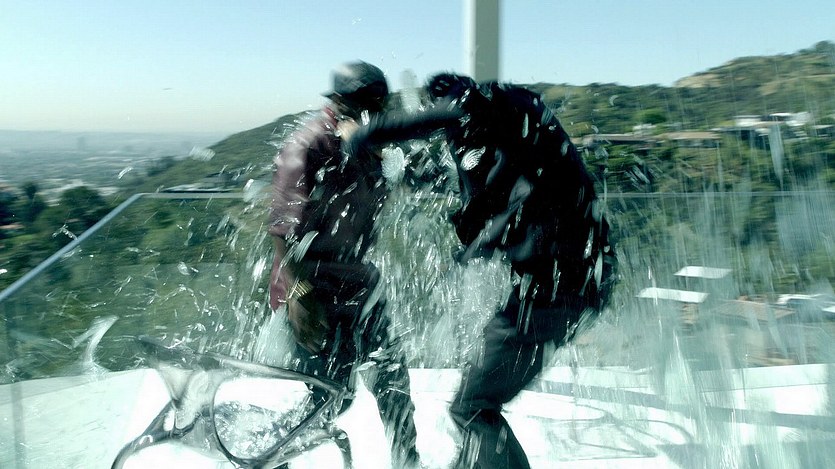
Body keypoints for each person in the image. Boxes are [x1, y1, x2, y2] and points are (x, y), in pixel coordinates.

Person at [345, 73, 617, 469]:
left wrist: (360, 135)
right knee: (475, 405)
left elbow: (428, 123)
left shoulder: (477, 102)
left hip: (555, 287)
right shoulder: (512, 132)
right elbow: (480, 204)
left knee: (473, 405)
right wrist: (411, 177)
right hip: (572, 281)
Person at [267, 61, 420, 467]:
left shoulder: (369, 142)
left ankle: (409, 461)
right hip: (312, 287)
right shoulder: (308, 146)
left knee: (393, 382)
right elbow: (281, 232)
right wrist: (300, 298)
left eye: (380, 105)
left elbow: (405, 178)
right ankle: (267, 455)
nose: (375, 113)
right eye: (366, 104)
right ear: (338, 102)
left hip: (358, 281)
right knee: (333, 397)